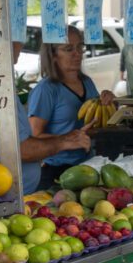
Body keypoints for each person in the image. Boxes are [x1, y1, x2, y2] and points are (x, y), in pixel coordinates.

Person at [0, 23, 91, 194]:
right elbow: (20, 150)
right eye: (18, 39)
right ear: (6, 41)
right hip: (0, 196)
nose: (20, 46)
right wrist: (64, 142)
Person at [28, 25, 115, 190]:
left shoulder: (87, 83)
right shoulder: (46, 90)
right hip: (57, 173)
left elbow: (94, 125)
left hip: (88, 167)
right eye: (68, 49)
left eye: (79, 47)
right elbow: (34, 135)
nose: (77, 54)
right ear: (53, 55)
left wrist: (110, 104)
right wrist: (68, 138)